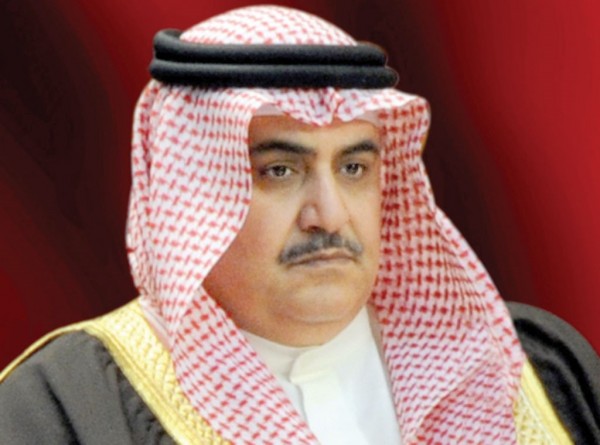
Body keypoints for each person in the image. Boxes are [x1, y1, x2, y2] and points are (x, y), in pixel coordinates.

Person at [0, 5, 598, 444]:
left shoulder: (533, 369)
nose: (330, 215)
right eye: (280, 171)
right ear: (192, 191)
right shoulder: (62, 410)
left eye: (355, 167)